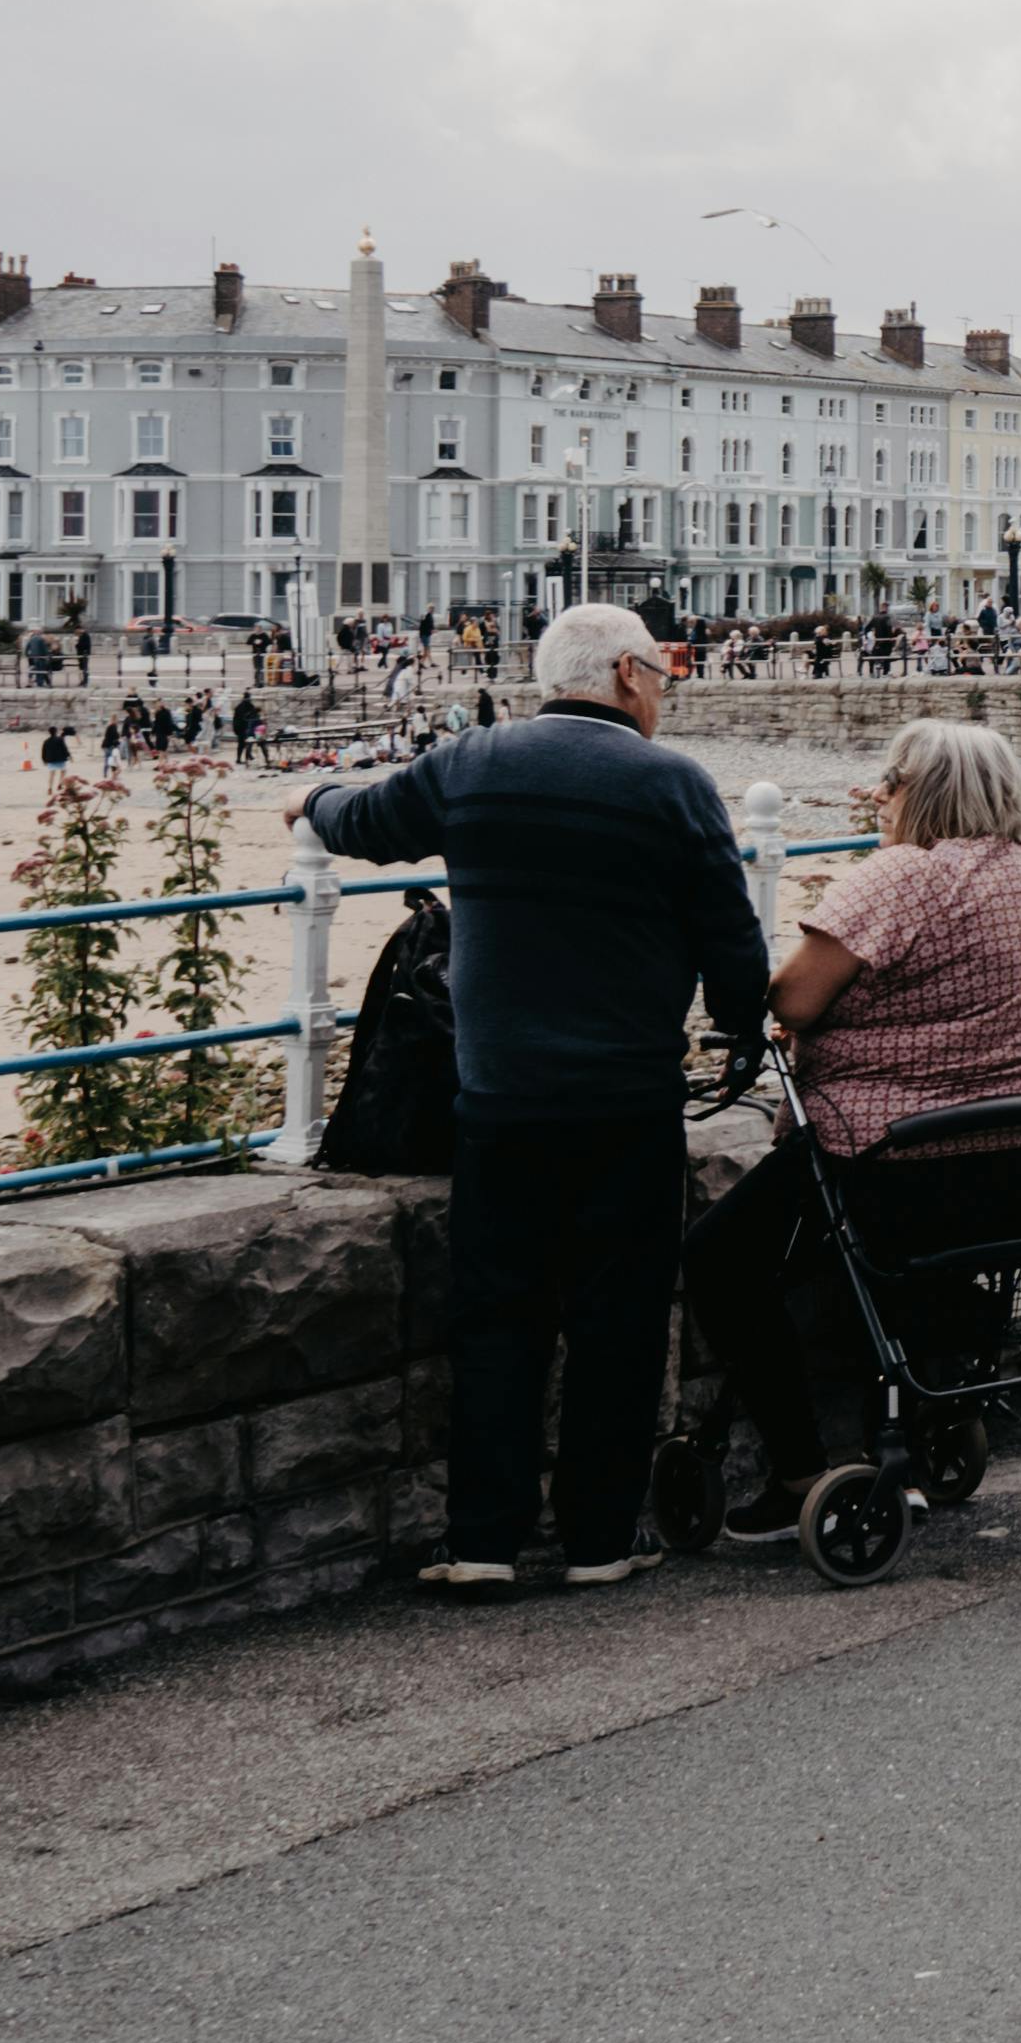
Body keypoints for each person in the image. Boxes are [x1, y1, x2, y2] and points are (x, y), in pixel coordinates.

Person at [301, 599, 769, 1590]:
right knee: (619, 1317)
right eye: (662, 679)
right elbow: (731, 938)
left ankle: (484, 1542)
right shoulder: (675, 785)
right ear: (630, 677)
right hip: (627, 1098)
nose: (665, 698)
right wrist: (741, 1026)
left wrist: (315, 800)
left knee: (496, 1314)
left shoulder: (475, 763)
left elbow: (370, 823)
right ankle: (599, 1541)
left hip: (501, 1095)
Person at [682, 717, 1021, 1544]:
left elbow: (791, 999)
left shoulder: (899, 876)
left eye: (891, 783)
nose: (878, 795)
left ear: (923, 794)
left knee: (720, 1257)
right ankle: (911, 1426)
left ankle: (797, 1471)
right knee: (882, 1268)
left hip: (898, 1161)